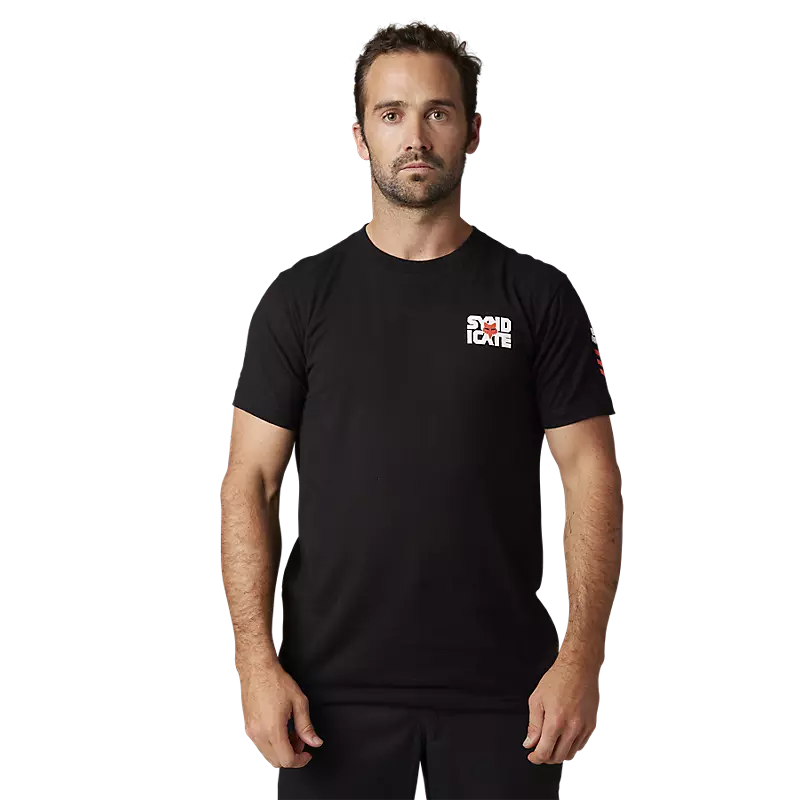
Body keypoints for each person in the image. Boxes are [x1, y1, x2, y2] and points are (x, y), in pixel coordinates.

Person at [221, 17, 623, 800]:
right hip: (326, 698)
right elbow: (250, 482)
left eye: (438, 112)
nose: (415, 136)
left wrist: (581, 661)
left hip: (508, 694)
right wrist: (254, 665)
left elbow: (591, 474)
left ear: (473, 131)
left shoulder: (536, 296)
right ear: (359, 135)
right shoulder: (299, 300)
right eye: (391, 113)